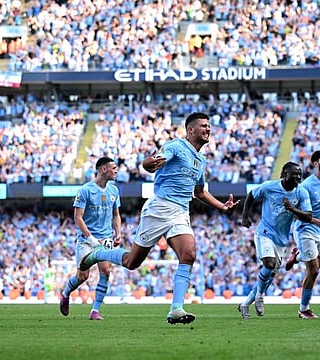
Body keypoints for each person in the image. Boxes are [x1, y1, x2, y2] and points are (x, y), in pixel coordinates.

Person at [80, 112, 239, 324]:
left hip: (181, 212)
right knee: (131, 262)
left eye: (209, 126)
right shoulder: (175, 147)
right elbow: (150, 164)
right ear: (190, 130)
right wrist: (148, 164)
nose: (208, 129)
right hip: (160, 208)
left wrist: (222, 206)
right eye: (203, 126)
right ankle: (98, 254)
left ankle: (176, 308)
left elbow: (200, 192)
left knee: (189, 254)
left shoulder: (201, 160)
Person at [238, 161, 312, 319]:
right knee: (269, 263)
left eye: (300, 174)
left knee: (269, 275)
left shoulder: (301, 193)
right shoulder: (269, 187)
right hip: (265, 232)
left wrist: (293, 209)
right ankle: (259, 296)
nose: (298, 177)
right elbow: (251, 195)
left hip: (281, 240)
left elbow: (308, 216)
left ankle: (245, 304)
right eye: (294, 174)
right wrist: (245, 216)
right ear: (284, 174)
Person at [59, 156, 122, 320]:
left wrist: (118, 232)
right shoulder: (85, 190)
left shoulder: (114, 190)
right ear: (103, 170)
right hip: (87, 240)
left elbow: (116, 214)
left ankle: (95, 310)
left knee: (106, 270)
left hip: (106, 237)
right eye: (113, 168)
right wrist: (91, 238)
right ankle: (65, 294)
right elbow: (77, 217)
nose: (116, 171)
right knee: (82, 276)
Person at [284, 149, 320, 319]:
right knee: (313, 270)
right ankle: (304, 309)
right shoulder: (306, 186)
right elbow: (296, 213)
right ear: (315, 164)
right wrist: (318, 221)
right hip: (305, 229)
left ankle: (299, 256)